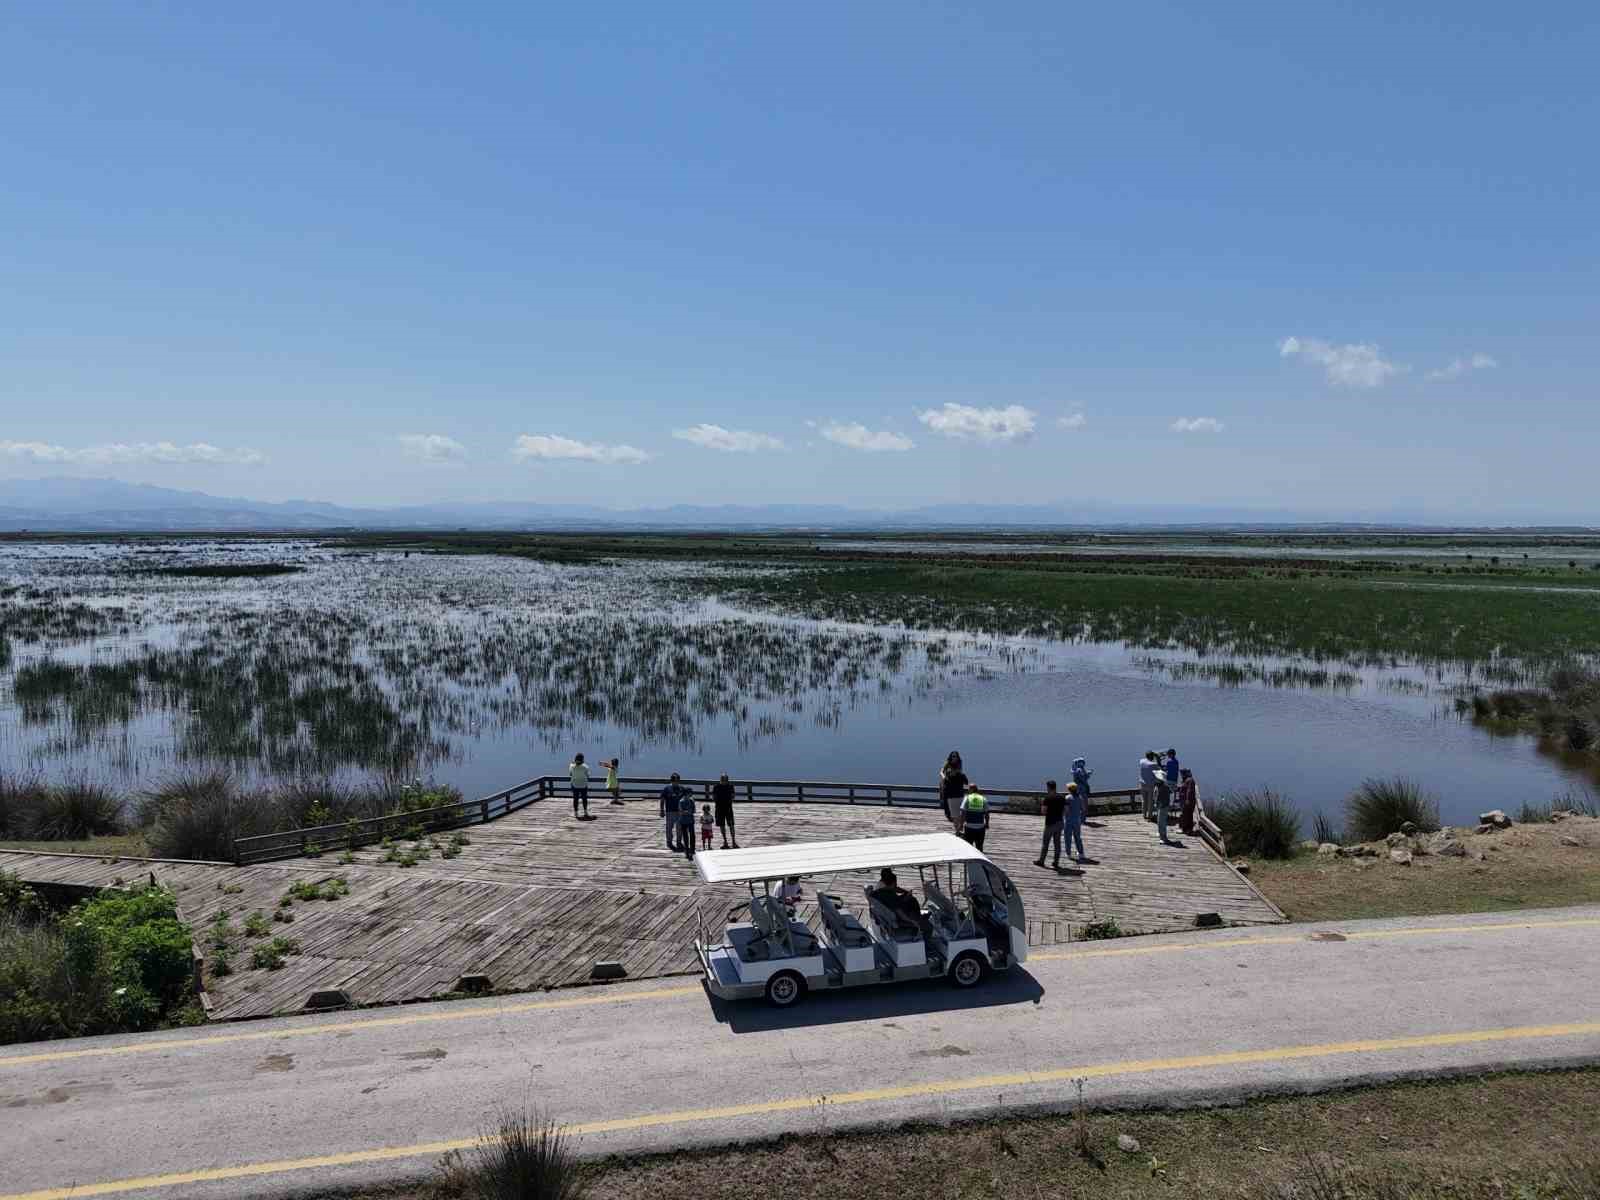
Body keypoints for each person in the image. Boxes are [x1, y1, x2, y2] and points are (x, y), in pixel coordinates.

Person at [869, 868, 926, 934]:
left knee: (909, 899)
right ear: (893, 883)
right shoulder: (888, 894)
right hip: (896, 917)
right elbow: (899, 912)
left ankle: (918, 917)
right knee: (912, 901)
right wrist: (911, 921)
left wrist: (905, 893)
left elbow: (896, 890)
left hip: (889, 910)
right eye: (895, 883)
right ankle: (918, 918)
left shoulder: (879, 891)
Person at [1035, 779, 1065, 869]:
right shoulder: (1062, 797)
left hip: (1050, 823)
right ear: (1055, 787)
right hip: (1059, 823)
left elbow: (1043, 811)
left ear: (1048, 787)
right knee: (1057, 844)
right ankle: (1056, 862)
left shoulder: (1047, 798)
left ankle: (1041, 861)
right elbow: (1066, 810)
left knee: (1045, 844)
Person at [659, 774, 691, 850]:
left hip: (680, 812)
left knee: (679, 828)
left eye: (677, 780)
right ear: (672, 780)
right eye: (674, 781)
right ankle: (669, 842)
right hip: (669, 811)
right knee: (669, 828)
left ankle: (679, 842)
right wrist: (662, 810)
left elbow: (686, 799)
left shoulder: (682, 788)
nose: (676, 782)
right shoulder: (667, 788)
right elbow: (662, 800)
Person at [958, 781, 989, 851]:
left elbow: (963, 813)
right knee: (979, 847)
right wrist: (987, 824)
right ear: (977, 790)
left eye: (969, 789)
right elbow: (987, 814)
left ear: (971, 790)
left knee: (969, 847)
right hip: (980, 827)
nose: (968, 790)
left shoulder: (967, 798)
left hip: (969, 826)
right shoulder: (983, 798)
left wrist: (961, 825)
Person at [938, 752, 968, 824]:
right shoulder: (947, 763)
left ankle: (955, 815)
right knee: (945, 798)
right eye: (953, 756)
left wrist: (957, 773)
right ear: (950, 757)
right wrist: (944, 777)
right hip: (947, 781)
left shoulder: (959, 763)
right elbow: (941, 772)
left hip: (955, 781)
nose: (954, 758)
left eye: (955, 756)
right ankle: (948, 814)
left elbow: (960, 771)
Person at [712, 773, 738, 848]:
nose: (724, 781)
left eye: (724, 780)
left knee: (728, 825)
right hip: (725, 807)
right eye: (723, 780)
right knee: (726, 825)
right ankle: (728, 842)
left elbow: (714, 797)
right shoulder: (730, 786)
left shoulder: (716, 787)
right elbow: (733, 796)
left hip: (722, 808)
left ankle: (729, 842)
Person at [1065, 781, 1087, 862]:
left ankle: (1068, 853)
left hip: (1069, 820)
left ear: (1069, 789)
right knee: (1077, 837)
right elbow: (1083, 809)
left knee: (1068, 837)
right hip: (1077, 820)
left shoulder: (1067, 798)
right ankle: (1081, 853)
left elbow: (1066, 810)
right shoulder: (1080, 797)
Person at [1153, 767, 1173, 844]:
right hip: (1161, 806)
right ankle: (1161, 834)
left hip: (1163, 806)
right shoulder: (1160, 786)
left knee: (1162, 822)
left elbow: (1159, 797)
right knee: (1160, 821)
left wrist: (1157, 803)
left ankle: (1163, 838)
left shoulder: (1163, 787)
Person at [1138, 751, 1159, 821]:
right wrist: (1157, 758)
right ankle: (1150, 816)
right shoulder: (1153, 764)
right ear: (1152, 757)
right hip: (1150, 785)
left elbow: (1144, 760)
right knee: (1150, 801)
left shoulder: (1141, 761)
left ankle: (1144, 814)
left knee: (1144, 800)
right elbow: (1159, 771)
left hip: (1142, 784)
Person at [677, 788, 697, 861]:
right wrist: (688, 812)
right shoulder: (681, 801)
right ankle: (686, 850)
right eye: (690, 793)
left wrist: (687, 812)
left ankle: (692, 849)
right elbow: (680, 811)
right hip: (683, 821)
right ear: (686, 793)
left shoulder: (692, 800)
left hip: (690, 820)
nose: (691, 794)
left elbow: (694, 810)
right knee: (685, 836)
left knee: (692, 835)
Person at [568, 753, 590, 818]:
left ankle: (576, 813)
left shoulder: (571, 766)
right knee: (584, 798)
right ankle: (585, 812)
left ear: (575, 759)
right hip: (583, 785)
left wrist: (572, 763)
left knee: (575, 799)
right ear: (582, 759)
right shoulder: (585, 766)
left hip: (575, 785)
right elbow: (588, 775)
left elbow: (570, 774)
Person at [1177, 768, 1198, 836]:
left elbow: (1189, 791)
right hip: (1186, 801)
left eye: (1182, 773)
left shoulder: (1190, 780)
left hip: (1188, 801)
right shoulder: (1186, 780)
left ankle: (1186, 829)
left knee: (1187, 815)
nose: (1181, 775)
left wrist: (1187, 800)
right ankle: (1187, 829)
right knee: (1187, 815)